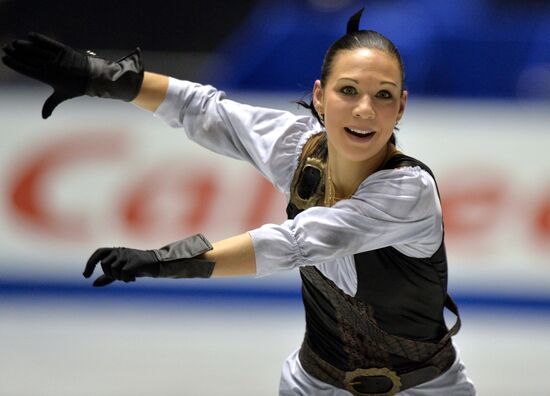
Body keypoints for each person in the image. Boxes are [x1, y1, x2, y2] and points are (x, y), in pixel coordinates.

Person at [1, 8, 476, 396]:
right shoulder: (298, 146)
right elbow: (205, 110)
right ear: (320, 96)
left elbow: (294, 243)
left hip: (426, 389)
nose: (365, 110)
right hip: (314, 384)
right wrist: (97, 74)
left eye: (383, 95)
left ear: (402, 106)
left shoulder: (408, 190)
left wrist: (164, 261)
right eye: (348, 91)